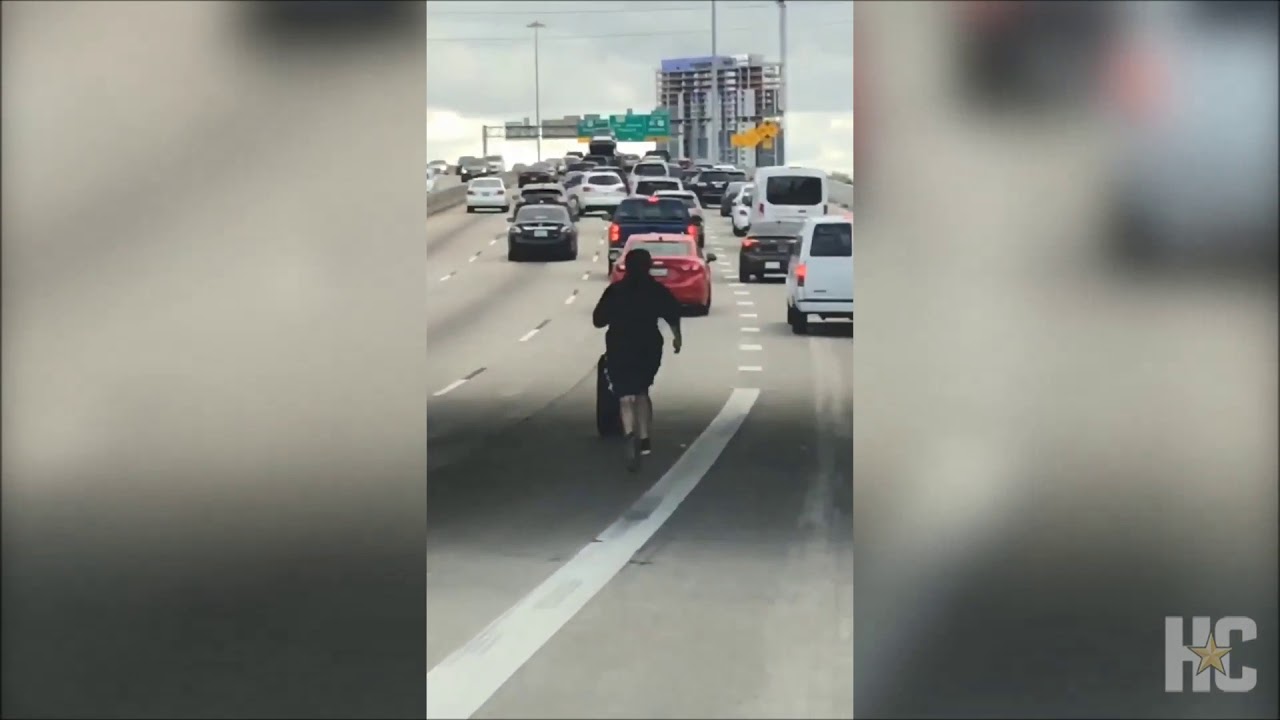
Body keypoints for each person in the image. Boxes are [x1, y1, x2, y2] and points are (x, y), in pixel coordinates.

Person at [592, 247, 683, 471]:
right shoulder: (656, 290)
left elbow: (598, 320)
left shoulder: (615, 291)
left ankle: (629, 432)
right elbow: (672, 313)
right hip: (648, 345)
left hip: (619, 345)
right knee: (642, 390)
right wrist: (677, 338)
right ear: (649, 266)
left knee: (624, 395)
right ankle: (643, 438)